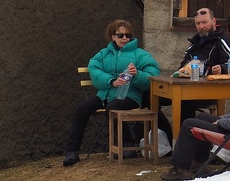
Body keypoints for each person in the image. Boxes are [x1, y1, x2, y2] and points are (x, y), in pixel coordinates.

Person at [63, 19, 160, 167]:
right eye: (120, 35)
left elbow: (152, 74)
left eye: (127, 35)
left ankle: (127, 144)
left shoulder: (139, 54)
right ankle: (72, 151)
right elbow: (94, 69)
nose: (124, 38)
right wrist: (111, 81)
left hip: (130, 96)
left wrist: (136, 74)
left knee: (113, 107)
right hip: (105, 95)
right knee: (82, 109)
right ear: (112, 36)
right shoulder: (104, 54)